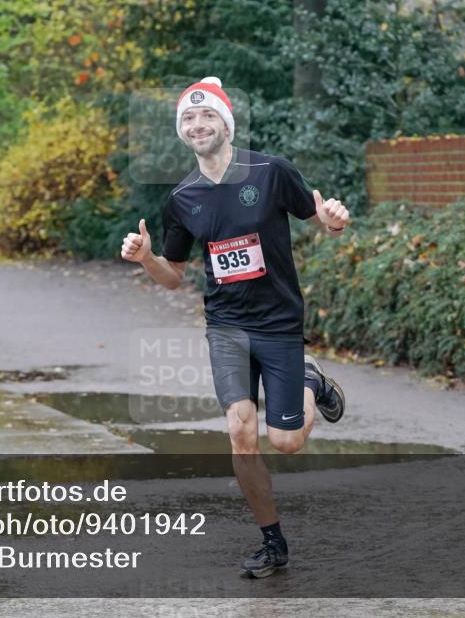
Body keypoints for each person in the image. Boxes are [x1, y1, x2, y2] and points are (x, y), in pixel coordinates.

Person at [120, 76, 350, 578]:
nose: (197, 124)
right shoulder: (183, 197)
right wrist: (146, 258)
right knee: (239, 430)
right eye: (187, 118)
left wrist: (334, 218)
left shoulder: (270, 172)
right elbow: (174, 276)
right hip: (226, 326)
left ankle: (312, 380)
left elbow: (323, 220)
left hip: (278, 322)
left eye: (207, 116)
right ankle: (273, 542)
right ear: (181, 131)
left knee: (287, 441)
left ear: (226, 123)